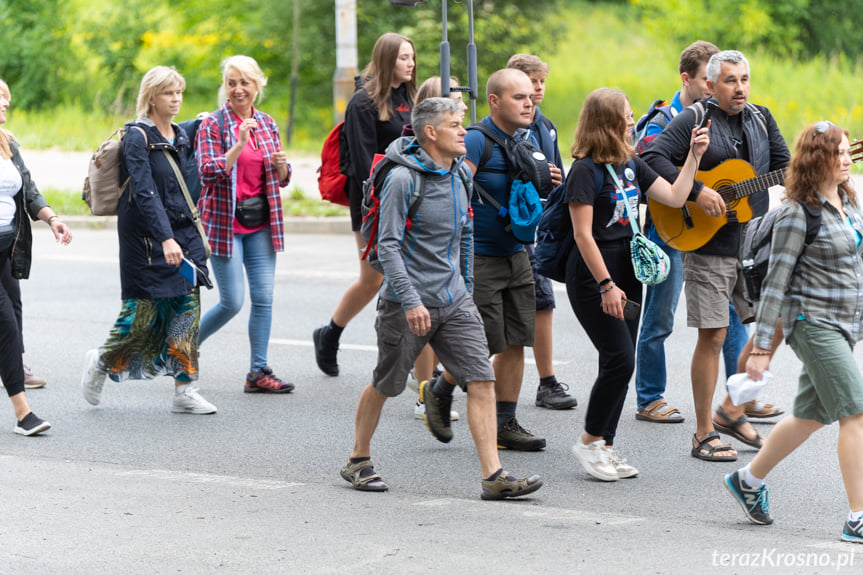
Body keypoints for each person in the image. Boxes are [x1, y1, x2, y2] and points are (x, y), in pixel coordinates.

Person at [340, 97, 543, 500]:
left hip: (454, 301)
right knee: (387, 383)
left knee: (481, 380)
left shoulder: (458, 175)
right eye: (454, 125)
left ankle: (494, 476)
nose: (463, 131)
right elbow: (388, 247)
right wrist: (412, 299)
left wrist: (464, 288)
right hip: (405, 303)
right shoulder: (403, 179)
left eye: (462, 124)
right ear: (430, 132)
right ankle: (358, 460)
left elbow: (465, 234)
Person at [641, 50, 790, 461]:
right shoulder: (692, 119)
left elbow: (785, 166)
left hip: (753, 240)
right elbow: (650, 160)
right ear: (709, 85)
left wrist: (821, 167)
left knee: (771, 323)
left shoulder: (761, 117)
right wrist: (697, 191)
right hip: (705, 243)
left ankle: (732, 409)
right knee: (714, 335)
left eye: (744, 79)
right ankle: (704, 432)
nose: (740, 88)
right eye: (730, 81)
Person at [724, 121, 863, 544]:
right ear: (816, 160)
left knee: (809, 416)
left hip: (843, 325)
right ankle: (858, 517)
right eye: (836, 153)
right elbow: (775, 285)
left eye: (845, 152)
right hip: (812, 324)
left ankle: (747, 480)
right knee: (856, 413)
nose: (845, 159)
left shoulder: (848, 202)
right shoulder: (795, 214)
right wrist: (762, 348)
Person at [566, 88, 709, 481]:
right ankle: (589, 440)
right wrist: (606, 285)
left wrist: (694, 157)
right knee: (620, 358)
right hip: (597, 273)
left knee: (618, 362)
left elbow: (677, 197)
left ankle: (605, 448)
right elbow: (583, 235)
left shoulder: (631, 162)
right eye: (627, 116)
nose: (633, 122)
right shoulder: (584, 170)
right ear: (607, 122)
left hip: (629, 270)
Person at [79, 67, 217, 412]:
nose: (177, 99)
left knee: (187, 310)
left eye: (180, 92)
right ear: (152, 96)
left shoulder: (180, 135)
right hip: (145, 239)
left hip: (182, 234)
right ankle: (101, 362)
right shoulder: (137, 137)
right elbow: (143, 193)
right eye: (169, 93)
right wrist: (165, 239)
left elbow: (185, 185)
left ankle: (185, 390)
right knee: (142, 315)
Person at [462, 68, 562, 451]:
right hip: (481, 256)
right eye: (519, 97)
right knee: (484, 342)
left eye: (530, 95)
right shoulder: (475, 140)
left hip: (519, 252)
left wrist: (548, 181)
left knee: (517, 340)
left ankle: (505, 423)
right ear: (494, 101)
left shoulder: (525, 140)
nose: (530, 101)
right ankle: (440, 387)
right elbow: (454, 193)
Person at [313, 33, 416, 377]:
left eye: (412, 58)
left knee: (408, 279)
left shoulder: (410, 97)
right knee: (372, 280)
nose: (411, 64)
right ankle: (330, 335)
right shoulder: (363, 103)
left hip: (412, 203)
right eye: (404, 58)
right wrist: (381, 205)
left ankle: (416, 364)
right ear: (387, 60)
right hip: (373, 204)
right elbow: (362, 165)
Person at [196, 55, 294, 394]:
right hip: (224, 225)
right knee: (232, 302)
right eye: (231, 83)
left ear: (258, 85)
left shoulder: (267, 123)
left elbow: (280, 179)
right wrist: (237, 145)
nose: (238, 90)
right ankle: (181, 349)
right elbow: (207, 172)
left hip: (261, 224)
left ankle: (257, 372)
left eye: (245, 83)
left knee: (264, 299)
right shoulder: (214, 124)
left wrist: (282, 168)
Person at [505, 53, 577, 411]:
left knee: (543, 302)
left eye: (541, 82)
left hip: (541, 229)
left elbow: (557, 176)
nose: (537, 89)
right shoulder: (506, 129)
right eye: (531, 82)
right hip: (513, 230)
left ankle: (547, 382)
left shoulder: (545, 126)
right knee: (501, 312)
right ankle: (454, 377)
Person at [0, 78, 70, 435]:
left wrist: (52, 218)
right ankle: (23, 413)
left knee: (13, 313)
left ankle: (11, 364)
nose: (5, 105)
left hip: (7, 248)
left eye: (6, 99)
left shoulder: (8, 143)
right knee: (6, 327)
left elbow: (28, 188)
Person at [403, 75, 466, 422]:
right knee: (422, 326)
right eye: (454, 98)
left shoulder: (457, 146)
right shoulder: (411, 162)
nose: (463, 103)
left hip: (450, 258)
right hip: (422, 262)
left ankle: (431, 389)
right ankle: (425, 391)